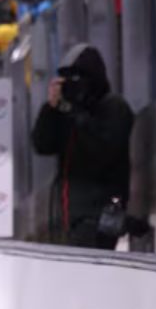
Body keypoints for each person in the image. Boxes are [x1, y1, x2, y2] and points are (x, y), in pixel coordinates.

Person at [31, 44, 134, 250]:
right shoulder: (67, 111)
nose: (73, 87)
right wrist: (51, 109)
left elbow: (102, 151)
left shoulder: (114, 107)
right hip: (68, 215)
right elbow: (42, 144)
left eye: (77, 80)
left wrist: (72, 111)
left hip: (100, 215)